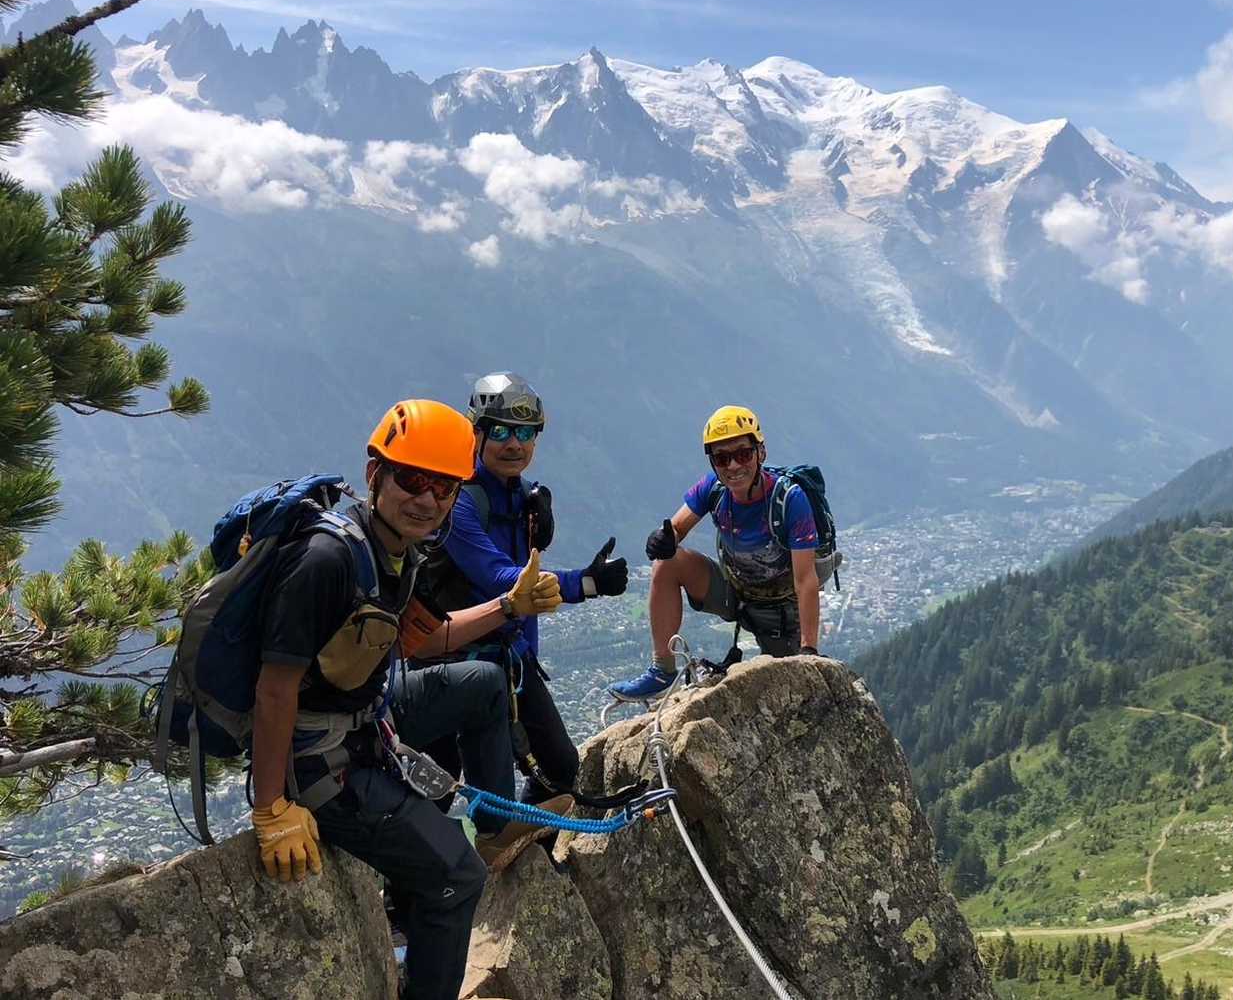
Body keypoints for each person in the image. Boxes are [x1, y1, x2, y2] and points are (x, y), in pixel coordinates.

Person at [247, 399, 563, 1000]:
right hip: (316, 758)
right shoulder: (327, 560)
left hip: (370, 715)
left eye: (444, 488)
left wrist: (509, 607)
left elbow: (421, 639)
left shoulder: (397, 550)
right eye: (413, 480)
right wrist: (271, 809)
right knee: (456, 877)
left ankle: (494, 828)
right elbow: (274, 688)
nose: (428, 499)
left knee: (483, 683)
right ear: (375, 475)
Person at [416, 373, 629, 802]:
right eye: (500, 431)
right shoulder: (456, 500)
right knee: (439, 786)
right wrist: (585, 583)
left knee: (561, 770)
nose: (514, 444)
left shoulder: (526, 498)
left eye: (525, 433)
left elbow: (522, 588)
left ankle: (525, 843)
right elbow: (501, 578)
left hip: (508, 656)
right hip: (448, 658)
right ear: (476, 433)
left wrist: (528, 657)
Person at [608, 404, 830, 703]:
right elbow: (676, 528)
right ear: (713, 463)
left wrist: (808, 650)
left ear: (760, 453)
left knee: (795, 696)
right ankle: (662, 671)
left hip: (782, 613)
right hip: (738, 595)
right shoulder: (713, 489)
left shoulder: (790, 499)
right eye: (722, 458)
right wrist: (663, 539)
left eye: (743, 454)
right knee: (667, 562)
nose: (733, 466)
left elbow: (805, 580)